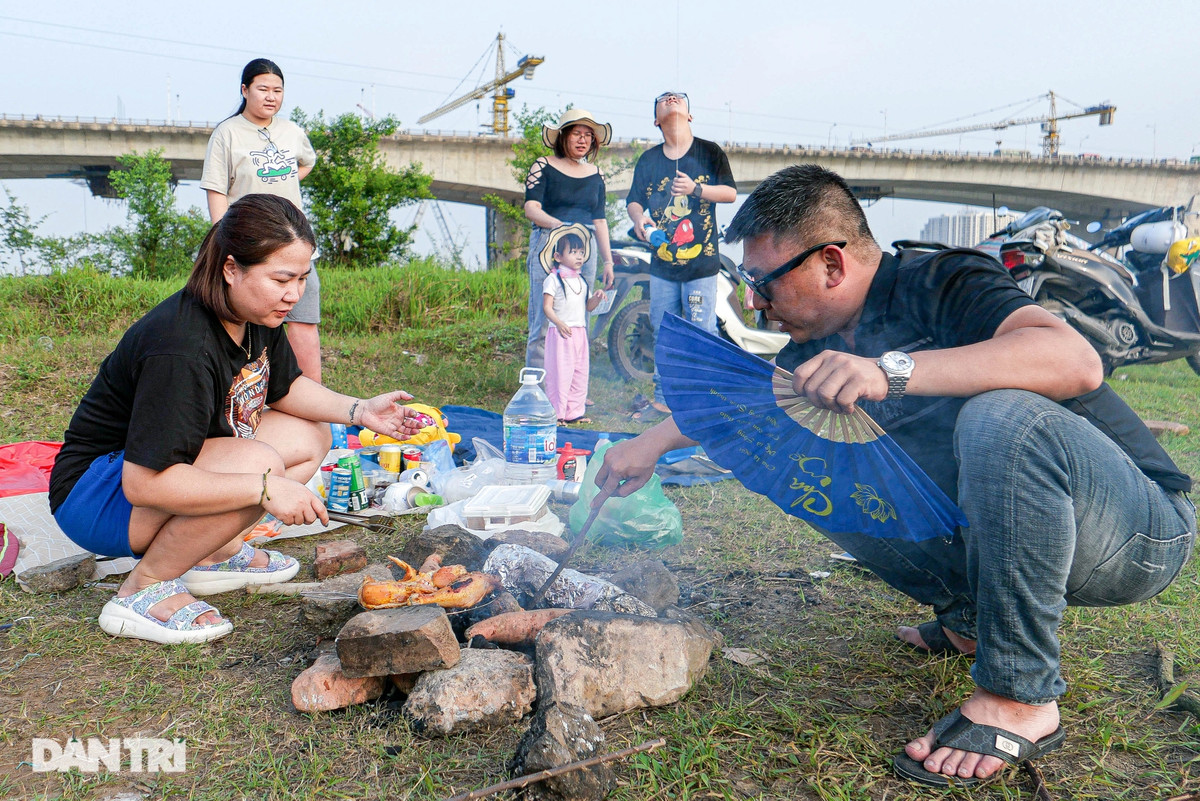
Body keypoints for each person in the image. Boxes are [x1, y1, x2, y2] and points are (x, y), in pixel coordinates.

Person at [596, 164, 1195, 787]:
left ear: (831, 263)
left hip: (1140, 530)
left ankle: (1021, 696)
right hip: (1042, 532)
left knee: (1002, 418)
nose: (754, 302)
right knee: (805, 459)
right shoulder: (816, 341)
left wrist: (890, 371)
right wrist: (648, 445)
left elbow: (1075, 361)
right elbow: (755, 405)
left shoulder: (945, 280)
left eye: (764, 282)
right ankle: (970, 614)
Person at [48, 195, 426, 645]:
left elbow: (286, 388)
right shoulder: (180, 347)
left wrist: (359, 409)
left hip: (156, 471)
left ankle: (211, 552)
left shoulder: (256, 313)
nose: (294, 294)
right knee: (260, 466)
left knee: (309, 436)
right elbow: (143, 485)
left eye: (303, 278)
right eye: (282, 279)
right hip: (97, 493)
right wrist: (264, 489)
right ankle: (143, 587)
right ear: (231, 268)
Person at [200, 58, 323, 383]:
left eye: (278, 90)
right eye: (263, 89)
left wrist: (287, 181)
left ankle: (315, 402)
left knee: (304, 321)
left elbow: (307, 162)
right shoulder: (227, 133)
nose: (271, 96)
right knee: (240, 323)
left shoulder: (291, 131)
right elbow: (216, 189)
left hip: (294, 242)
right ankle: (240, 397)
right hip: (250, 246)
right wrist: (221, 237)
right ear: (245, 90)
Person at [625, 91, 737, 420]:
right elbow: (634, 200)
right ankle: (663, 401)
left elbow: (730, 193)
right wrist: (638, 218)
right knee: (663, 331)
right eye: (664, 99)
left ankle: (705, 402)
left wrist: (695, 189)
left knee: (702, 332)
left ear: (689, 115)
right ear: (657, 119)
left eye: (678, 98)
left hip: (702, 264)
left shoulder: (709, 152)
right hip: (662, 266)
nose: (672, 99)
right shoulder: (649, 160)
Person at [523, 108, 615, 369]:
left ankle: (573, 389)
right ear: (563, 136)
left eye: (588, 135)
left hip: (585, 248)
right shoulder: (543, 165)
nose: (583, 139)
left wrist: (608, 262)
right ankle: (538, 390)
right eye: (577, 133)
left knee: (578, 316)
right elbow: (532, 209)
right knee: (543, 317)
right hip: (549, 243)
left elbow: (600, 220)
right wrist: (561, 227)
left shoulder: (596, 174)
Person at [540, 223, 606, 424]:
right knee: (560, 375)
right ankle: (557, 414)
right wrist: (559, 323)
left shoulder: (581, 281)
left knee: (579, 373)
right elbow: (547, 307)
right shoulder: (553, 279)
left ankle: (575, 412)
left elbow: (588, 307)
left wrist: (597, 297)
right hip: (561, 334)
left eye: (581, 252)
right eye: (573, 252)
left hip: (579, 333)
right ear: (558, 257)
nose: (579, 256)